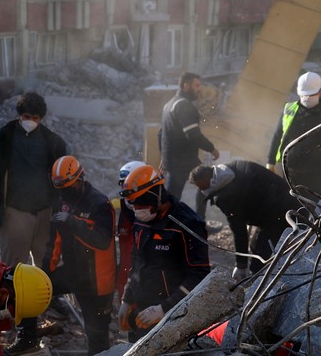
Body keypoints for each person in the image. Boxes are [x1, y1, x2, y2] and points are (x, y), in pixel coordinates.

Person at [117, 165, 210, 341]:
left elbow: (199, 275)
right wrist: (127, 299)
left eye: (142, 203)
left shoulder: (187, 224)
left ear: (157, 195)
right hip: (141, 311)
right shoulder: (141, 220)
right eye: (133, 204)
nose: (138, 209)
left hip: (174, 315)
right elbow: (137, 261)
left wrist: (164, 309)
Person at [0, 92, 67, 267]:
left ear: (41, 119)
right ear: (19, 115)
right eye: (26, 117)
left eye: (35, 118)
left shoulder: (53, 142)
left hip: (45, 213)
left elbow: (62, 176)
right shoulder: (3, 138)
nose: (30, 121)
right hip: (14, 212)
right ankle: (13, 296)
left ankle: (45, 295)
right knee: (13, 267)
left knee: (46, 266)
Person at [41, 156, 116, 355]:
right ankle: (27, 339)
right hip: (73, 273)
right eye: (60, 189)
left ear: (80, 180)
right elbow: (54, 241)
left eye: (67, 188)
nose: (64, 193)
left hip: (97, 281)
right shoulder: (62, 201)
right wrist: (43, 273)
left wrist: (73, 222)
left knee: (96, 334)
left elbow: (102, 241)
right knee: (32, 290)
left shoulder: (99, 204)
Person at [189, 161, 299, 281]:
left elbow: (239, 230)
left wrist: (241, 265)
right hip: (286, 200)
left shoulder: (226, 196)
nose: (203, 191)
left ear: (210, 180)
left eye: (202, 188)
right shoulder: (232, 167)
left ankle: (258, 284)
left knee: (261, 256)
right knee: (255, 248)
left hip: (281, 213)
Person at [160, 72, 219, 219]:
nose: (199, 89)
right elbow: (193, 134)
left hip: (176, 159)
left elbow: (161, 134)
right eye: (196, 85)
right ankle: (193, 221)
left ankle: (189, 221)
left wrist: (163, 156)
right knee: (175, 197)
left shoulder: (169, 104)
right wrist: (211, 148)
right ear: (186, 86)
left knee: (203, 183)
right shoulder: (184, 106)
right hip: (182, 160)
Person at [266, 71, 321, 193]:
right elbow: (277, 136)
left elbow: (276, 136)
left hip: (313, 171)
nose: (308, 98)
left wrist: (270, 162)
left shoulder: (289, 109)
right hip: (291, 170)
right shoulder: (289, 109)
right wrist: (270, 161)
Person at [116, 160, 145, 298]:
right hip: (126, 277)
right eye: (123, 184)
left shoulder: (152, 213)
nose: (125, 189)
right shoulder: (124, 211)